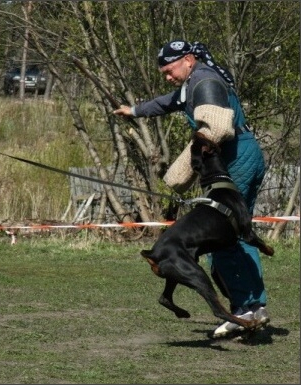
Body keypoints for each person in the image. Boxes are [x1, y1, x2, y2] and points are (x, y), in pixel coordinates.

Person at [114, 40, 269, 338]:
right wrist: (133, 110)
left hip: (233, 155)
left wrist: (180, 171)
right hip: (241, 152)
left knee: (220, 237)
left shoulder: (205, 82)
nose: (168, 77)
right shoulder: (195, 81)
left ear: (187, 59)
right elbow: (165, 102)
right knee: (240, 231)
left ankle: (244, 309)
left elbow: (215, 131)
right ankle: (253, 306)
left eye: (170, 70)